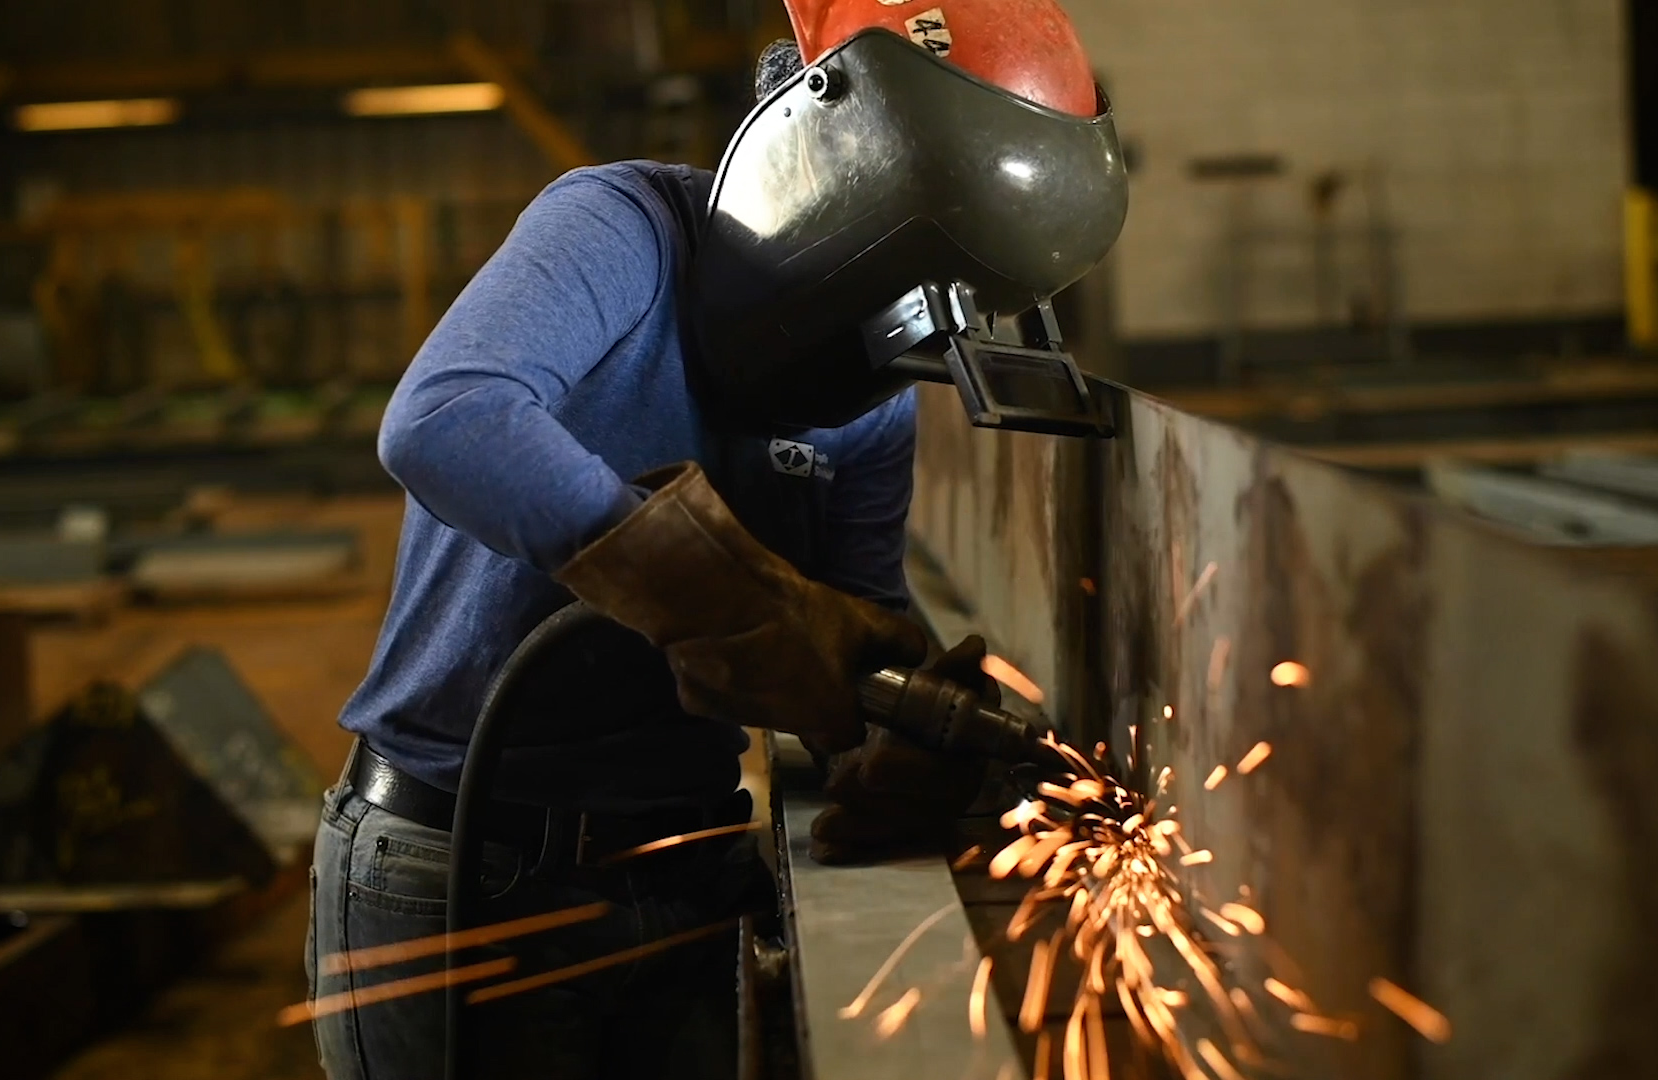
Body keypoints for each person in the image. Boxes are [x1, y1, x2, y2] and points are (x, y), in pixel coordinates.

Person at [303, 0, 1126, 1076]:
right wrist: (731, 599)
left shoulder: (872, 392)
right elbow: (445, 421)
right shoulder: (623, 229)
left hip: (684, 870)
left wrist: (898, 728)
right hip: (458, 863)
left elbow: (848, 633)